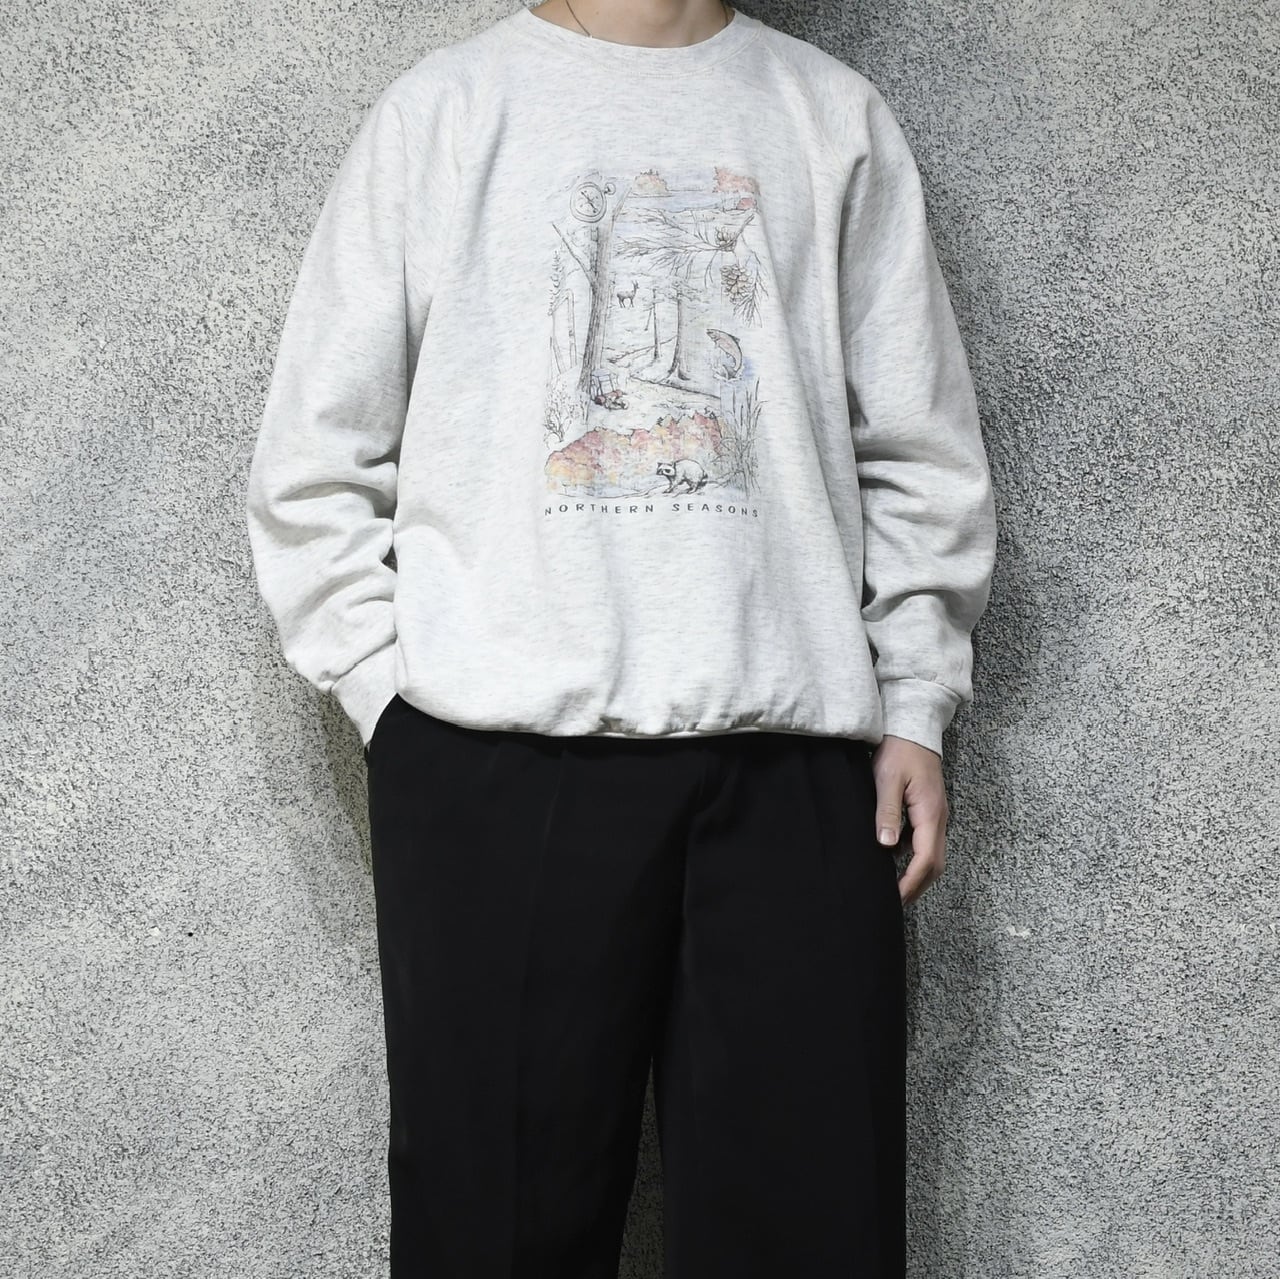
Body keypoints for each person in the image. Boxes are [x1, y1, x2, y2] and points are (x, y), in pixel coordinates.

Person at [244, 1, 997, 1274]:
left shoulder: (829, 116)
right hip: (495, 759)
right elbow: (314, 461)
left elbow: (918, 447)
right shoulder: (446, 114)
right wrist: (396, 708)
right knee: (492, 1235)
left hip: (796, 764)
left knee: (810, 1231)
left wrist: (915, 694)